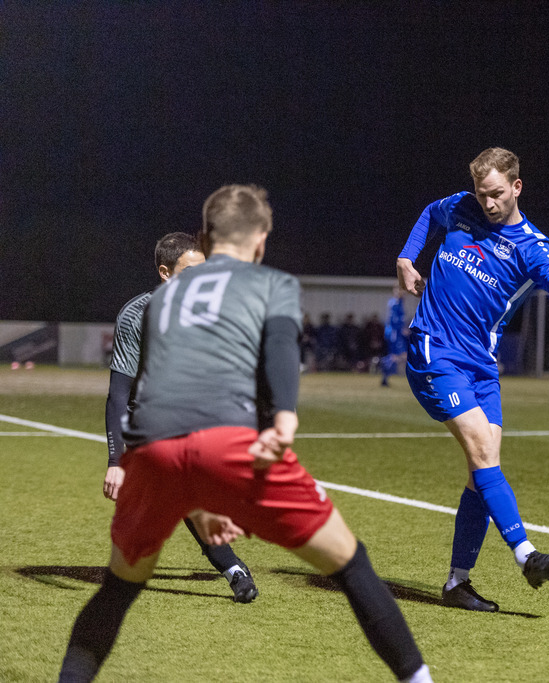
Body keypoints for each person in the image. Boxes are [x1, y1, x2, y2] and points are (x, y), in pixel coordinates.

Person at [60, 185, 431, 683]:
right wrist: (283, 418)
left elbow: (160, 390)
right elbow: (279, 353)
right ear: (259, 238)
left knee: (119, 588)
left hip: (151, 448)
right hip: (228, 442)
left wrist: (195, 492)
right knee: (351, 564)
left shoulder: (158, 301)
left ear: (207, 238)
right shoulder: (267, 283)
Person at [396, 148, 549, 612]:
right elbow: (427, 215)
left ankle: (457, 583)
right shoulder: (462, 206)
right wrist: (406, 257)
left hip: (482, 366)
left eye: (496, 193)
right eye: (482, 194)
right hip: (435, 350)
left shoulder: (532, 246)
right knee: (480, 450)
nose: (488, 203)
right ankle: (527, 556)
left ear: (517, 187)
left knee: (483, 473)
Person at [104, 232, 258, 603]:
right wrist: (115, 460)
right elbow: (118, 395)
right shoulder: (136, 316)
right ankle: (233, 568)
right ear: (166, 273)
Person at [380, 287, 408, 387]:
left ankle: (385, 377)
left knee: (400, 355)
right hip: (395, 334)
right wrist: (401, 329)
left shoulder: (396, 303)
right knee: (398, 356)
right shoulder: (395, 303)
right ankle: (383, 365)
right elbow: (394, 319)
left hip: (395, 333)